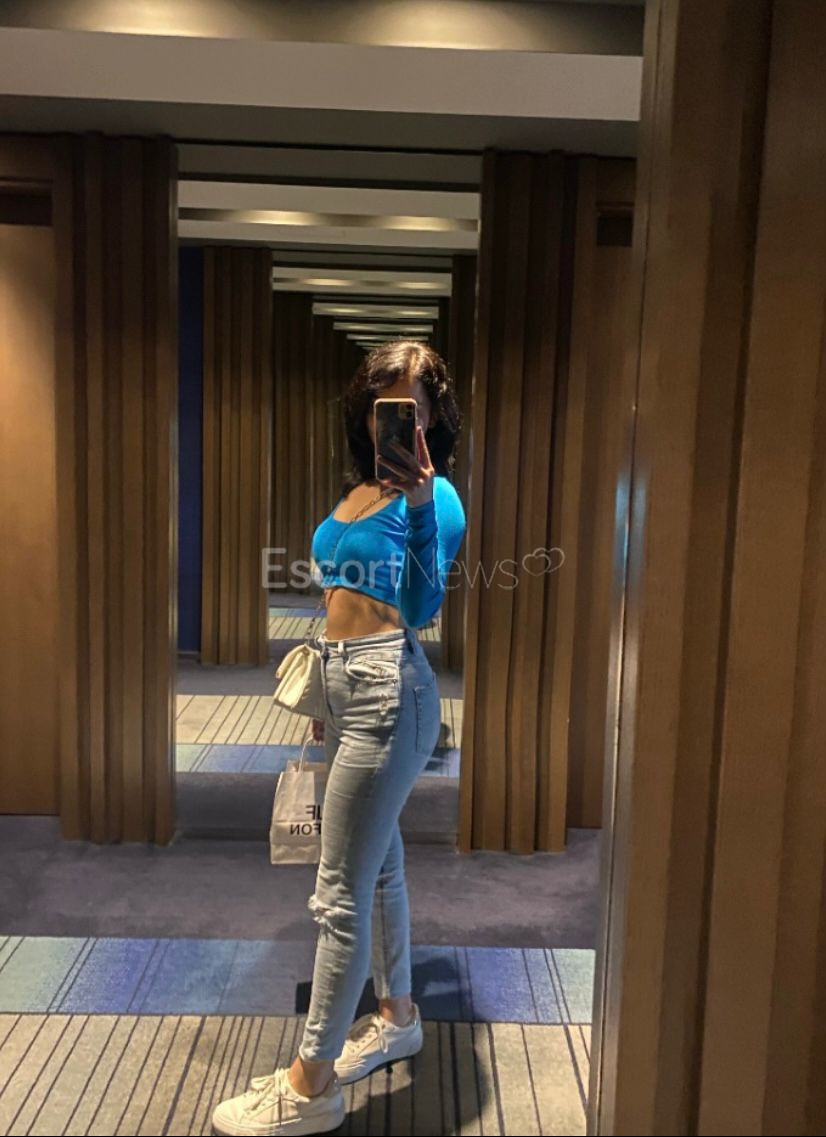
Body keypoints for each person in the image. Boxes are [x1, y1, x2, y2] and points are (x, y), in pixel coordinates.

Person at [213, 341, 466, 1136]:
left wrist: (419, 505)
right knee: (378, 866)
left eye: (413, 407)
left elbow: (421, 607)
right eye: (385, 403)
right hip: (345, 683)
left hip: (391, 688)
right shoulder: (357, 490)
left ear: (433, 417)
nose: (398, 419)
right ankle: (397, 1016)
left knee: (338, 893)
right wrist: (325, 688)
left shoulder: (437, 497)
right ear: (365, 411)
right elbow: (335, 595)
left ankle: (312, 1084)